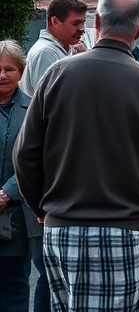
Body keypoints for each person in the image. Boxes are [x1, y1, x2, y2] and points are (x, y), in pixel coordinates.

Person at [14, 0, 139, 312]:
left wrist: (42, 207)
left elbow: (25, 155)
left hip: (64, 227)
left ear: (97, 22)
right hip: (130, 229)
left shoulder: (56, 76)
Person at [0, 41, 46, 312]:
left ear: (21, 71)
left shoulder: (34, 109)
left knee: (15, 286)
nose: (2, 75)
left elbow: (39, 159)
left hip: (16, 215)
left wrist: (7, 193)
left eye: (9, 69)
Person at [21, 0, 87, 97]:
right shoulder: (46, 53)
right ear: (55, 22)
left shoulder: (59, 49)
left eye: (83, 23)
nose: (82, 29)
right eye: (75, 24)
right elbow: (50, 100)